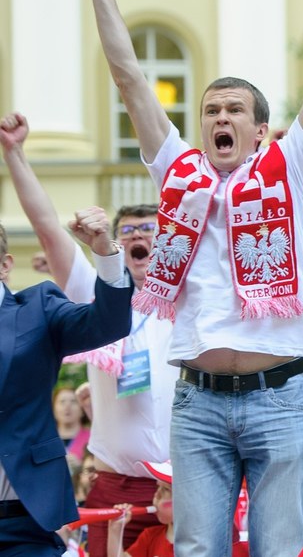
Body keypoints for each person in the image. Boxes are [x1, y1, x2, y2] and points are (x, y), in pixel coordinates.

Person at [78, 0, 303, 557]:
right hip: (196, 401)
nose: (220, 120)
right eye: (210, 111)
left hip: (278, 396)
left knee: (280, 549)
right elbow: (130, 80)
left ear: (259, 129)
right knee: (198, 550)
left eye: (233, 111)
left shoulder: (291, 167)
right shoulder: (177, 172)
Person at [2, 110, 177, 554]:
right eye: (128, 234)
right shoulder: (93, 292)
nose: (139, 240)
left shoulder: (191, 300)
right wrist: (16, 154)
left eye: (150, 232)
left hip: (184, 484)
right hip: (115, 485)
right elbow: (47, 230)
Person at [0, 211, 133, 555]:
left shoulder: (36, 308)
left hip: (26, 519)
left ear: (4, 265)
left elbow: (108, 324)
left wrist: (104, 254)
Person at [106, 473, 174, 557]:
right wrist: (115, 529)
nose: (157, 495)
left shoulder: (194, 544)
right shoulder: (150, 536)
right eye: (157, 487)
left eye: (166, 489)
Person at [54, 386, 91, 462]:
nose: (67, 406)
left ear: (82, 409)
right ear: (53, 409)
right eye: (62, 402)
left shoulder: (93, 438)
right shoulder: (45, 439)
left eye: (73, 401)